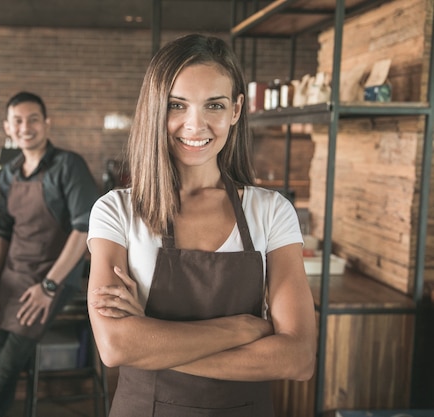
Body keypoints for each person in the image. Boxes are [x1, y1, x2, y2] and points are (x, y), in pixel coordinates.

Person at [87, 34, 317, 416]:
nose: (195, 125)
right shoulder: (116, 212)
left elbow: (297, 358)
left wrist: (152, 341)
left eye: (214, 105)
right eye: (177, 105)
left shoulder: (272, 211)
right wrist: (242, 329)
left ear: (236, 110)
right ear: (155, 109)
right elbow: (116, 347)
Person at [0, 91, 100, 417]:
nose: (25, 127)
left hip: (51, 277)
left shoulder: (68, 166)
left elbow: (83, 229)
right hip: (12, 276)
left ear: (47, 123)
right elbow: (3, 231)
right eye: (18, 121)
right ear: (7, 127)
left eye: (33, 119)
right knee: (2, 359)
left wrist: (49, 286)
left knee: (5, 367)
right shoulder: (9, 173)